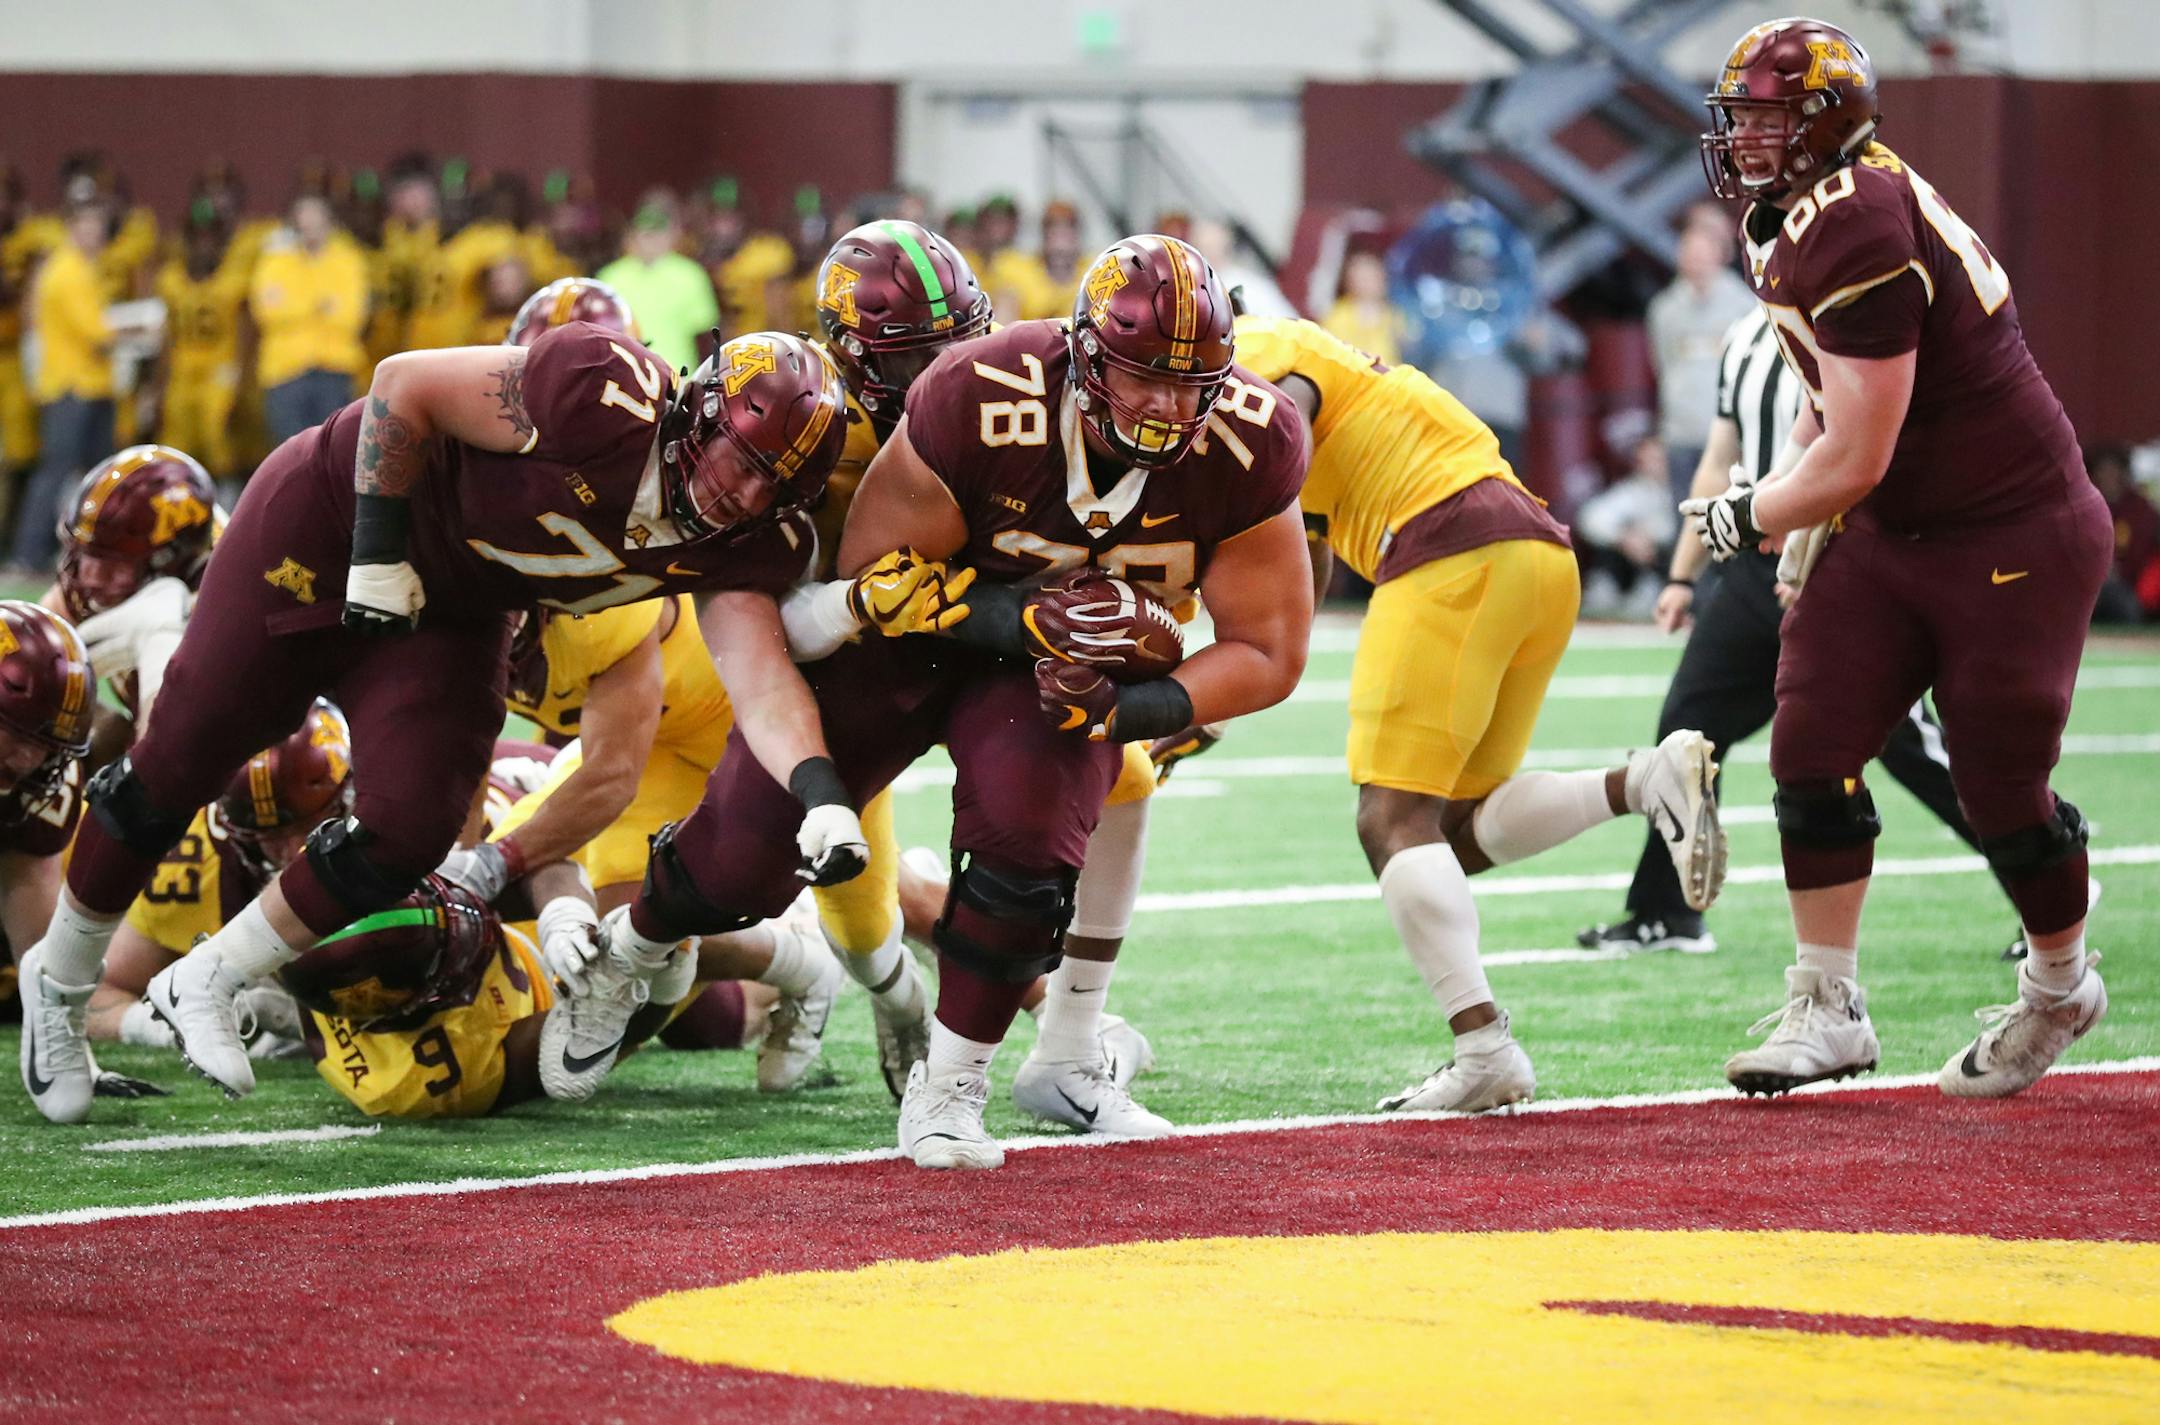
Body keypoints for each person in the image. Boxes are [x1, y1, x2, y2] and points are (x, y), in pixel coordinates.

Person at [15, 318, 856, 1125]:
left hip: (457, 605)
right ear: (701, 414)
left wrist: (821, 793)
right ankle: (56, 987)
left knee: (412, 827)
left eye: (774, 484)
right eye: (740, 459)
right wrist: (377, 551)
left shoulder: (753, 540)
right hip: (332, 521)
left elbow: (762, 685)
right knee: (180, 764)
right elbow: (402, 384)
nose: (745, 492)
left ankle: (211, 977)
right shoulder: (604, 387)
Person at [608, 234, 1314, 1170]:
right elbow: (867, 576)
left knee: (1032, 846)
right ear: (1085, 355)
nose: (1167, 406)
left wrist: (1125, 710)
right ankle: (636, 940)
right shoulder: (964, 396)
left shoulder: (1249, 441)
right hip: (897, 634)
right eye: (1144, 376)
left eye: (1191, 383)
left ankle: (959, 1085)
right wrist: (1021, 614)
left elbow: (1268, 648)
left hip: (1039, 673)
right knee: (742, 862)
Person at [1688, 17, 2111, 1099]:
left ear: (1826, 124)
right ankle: (1826, 1005)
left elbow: (1860, 451)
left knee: (1999, 785)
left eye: (1768, 120)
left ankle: (2060, 985)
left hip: (2007, 529)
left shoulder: (1861, 225)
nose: (1744, 141)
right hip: (1894, 524)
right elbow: (1832, 407)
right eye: (1741, 120)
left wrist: (1748, 516)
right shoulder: (1792, 213)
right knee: (1811, 739)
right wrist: (1800, 512)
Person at [1203, 315, 1722, 1113]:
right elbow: (1299, 568)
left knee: (1390, 821)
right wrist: (1233, 683)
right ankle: (1641, 782)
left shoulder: (1260, 351)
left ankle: (1484, 1047)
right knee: (1451, 831)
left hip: (1447, 543)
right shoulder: (1335, 372)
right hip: (1537, 554)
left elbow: (1282, 420)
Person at [797, 218, 1164, 1105]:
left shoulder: (1016, 389)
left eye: (956, 348)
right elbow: (769, 610)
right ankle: (886, 993)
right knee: (846, 903)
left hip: (992, 641)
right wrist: (854, 603)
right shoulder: (809, 429)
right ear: (848, 358)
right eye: (909, 361)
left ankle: (1075, 1025)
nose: (939, 380)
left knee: (1126, 774)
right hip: (861, 660)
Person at [1579, 307, 2003, 956]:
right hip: (1756, 564)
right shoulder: (1744, 334)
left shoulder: (1859, 325)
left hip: (1839, 560)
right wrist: (1681, 576)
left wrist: (1813, 549)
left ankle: (2046, 876)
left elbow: (1865, 452)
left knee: (1907, 745)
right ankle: (1666, 913)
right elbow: (1723, 457)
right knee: (1687, 726)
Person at [86, 701, 353, 1051]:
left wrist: (305, 1021)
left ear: (349, 796)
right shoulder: (198, 861)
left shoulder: (404, 817)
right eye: (269, 838)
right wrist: (174, 1031)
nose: (291, 852)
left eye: (308, 825)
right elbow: (99, 998)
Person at [43, 444, 222, 759]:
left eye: (114, 566)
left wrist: (162, 639)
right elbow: (32, 650)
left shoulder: (225, 594)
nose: (91, 579)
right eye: (86, 558)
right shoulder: (91, 577)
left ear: (170, 563)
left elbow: (175, 756)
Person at [15, 199, 123, 571]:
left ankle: (97, 553)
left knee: (99, 477)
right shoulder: (68, 271)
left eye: (98, 226)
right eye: (86, 226)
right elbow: (97, 333)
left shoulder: (84, 269)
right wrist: (142, 328)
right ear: (71, 227)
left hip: (90, 385)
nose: (93, 234)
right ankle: (28, 554)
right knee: (58, 471)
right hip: (70, 387)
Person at [1647, 204, 1756, 504]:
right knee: (1685, 515)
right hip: (1680, 433)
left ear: (1719, 255)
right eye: (1690, 254)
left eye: (1703, 254)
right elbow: (1662, 363)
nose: (1696, 261)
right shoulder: (1664, 309)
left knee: (1731, 517)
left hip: (1728, 433)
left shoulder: (1743, 305)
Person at [250, 194, 369, 444]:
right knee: (289, 451)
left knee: (333, 448)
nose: (310, 230)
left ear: (330, 223)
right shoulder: (275, 260)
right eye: (303, 224)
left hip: (335, 368)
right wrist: (319, 305)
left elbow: (351, 316)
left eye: (316, 222)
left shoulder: (348, 260)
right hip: (285, 370)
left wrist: (295, 304)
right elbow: (267, 310)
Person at [597, 193, 721, 374]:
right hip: (624, 381)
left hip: (679, 381)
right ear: (632, 235)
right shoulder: (610, 278)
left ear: (671, 235)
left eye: (658, 233)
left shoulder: (691, 275)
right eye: (645, 233)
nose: (651, 241)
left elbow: (707, 338)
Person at [1573, 435, 1681, 617]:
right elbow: (1590, 519)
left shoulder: (1681, 491)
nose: (1653, 465)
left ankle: (1656, 592)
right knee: (1611, 550)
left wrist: (1649, 537)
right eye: (1646, 459)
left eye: (1658, 459)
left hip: (1664, 565)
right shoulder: (1631, 491)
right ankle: (1608, 593)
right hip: (1629, 567)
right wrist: (1625, 537)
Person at [2086, 445, 2158, 623]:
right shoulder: (2085, 507)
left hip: (2125, 584)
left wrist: (2119, 570)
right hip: (2086, 580)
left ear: (2123, 474)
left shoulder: (2139, 510)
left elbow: (2143, 552)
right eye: (2103, 471)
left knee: (2125, 607)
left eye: (2113, 471)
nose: (2108, 477)